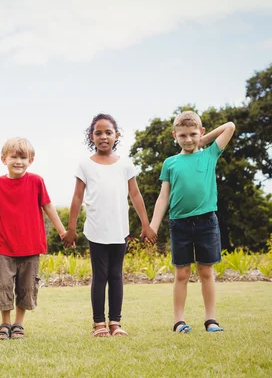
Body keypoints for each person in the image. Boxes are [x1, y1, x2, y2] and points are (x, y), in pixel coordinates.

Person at [63, 114, 157, 337]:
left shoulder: (125, 163)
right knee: (100, 276)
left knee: (116, 276)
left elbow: (135, 194)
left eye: (108, 132)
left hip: (120, 230)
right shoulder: (85, 164)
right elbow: (77, 197)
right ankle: (99, 325)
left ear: (117, 136)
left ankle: (115, 323)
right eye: (98, 132)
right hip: (96, 230)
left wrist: (146, 224)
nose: (103, 136)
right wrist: (71, 228)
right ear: (91, 136)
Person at [150, 111, 235, 333]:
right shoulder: (170, 163)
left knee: (206, 272)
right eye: (183, 135)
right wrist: (153, 226)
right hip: (179, 224)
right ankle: (179, 321)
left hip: (207, 222)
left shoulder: (210, 155)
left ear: (202, 133)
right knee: (182, 274)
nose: (188, 139)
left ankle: (211, 320)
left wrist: (202, 141)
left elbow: (230, 126)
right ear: (174, 136)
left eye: (193, 134)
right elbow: (163, 197)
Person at [0, 138, 68, 340]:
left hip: (31, 245)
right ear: (3, 158)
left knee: (26, 286)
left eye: (23, 157)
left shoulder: (37, 181)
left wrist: (62, 231)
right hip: (5, 245)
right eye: (14, 156)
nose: (18, 161)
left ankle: (18, 324)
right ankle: (4, 324)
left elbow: (48, 206)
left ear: (31, 160)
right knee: (4, 285)